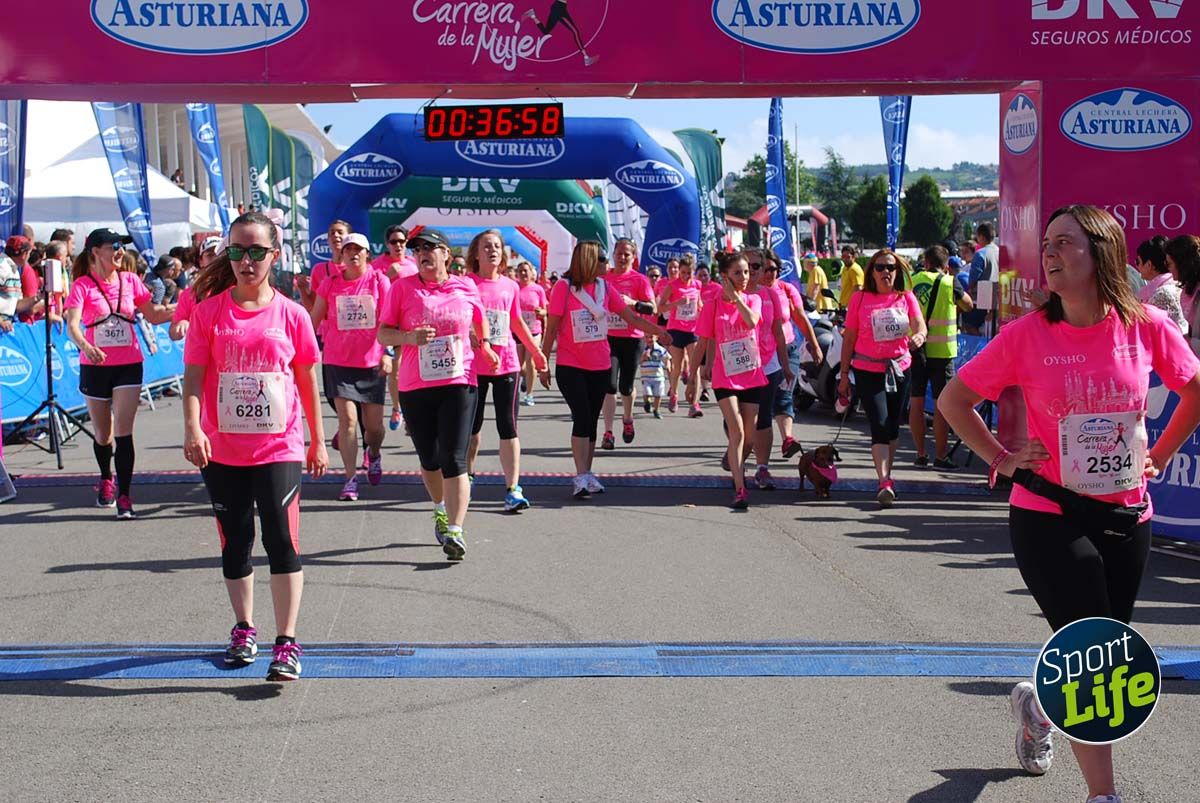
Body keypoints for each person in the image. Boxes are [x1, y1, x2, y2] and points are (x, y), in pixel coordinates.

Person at [938, 205, 1200, 803]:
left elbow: (1195, 389)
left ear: (1102, 253)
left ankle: (1038, 703)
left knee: (1102, 651)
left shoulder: (1144, 325)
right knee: (1094, 657)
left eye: (1064, 243)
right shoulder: (1026, 334)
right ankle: (1102, 795)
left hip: (1126, 514)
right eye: (1047, 244)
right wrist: (1003, 458)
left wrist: (1159, 451)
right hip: (1047, 511)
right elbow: (955, 401)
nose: (1049, 253)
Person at [182, 211, 328, 683]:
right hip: (222, 449)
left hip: (278, 446)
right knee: (235, 541)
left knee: (282, 540)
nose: (247, 261)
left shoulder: (292, 314)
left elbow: (307, 379)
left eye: (257, 252)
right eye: (238, 251)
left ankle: (287, 642)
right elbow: (194, 379)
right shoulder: (209, 312)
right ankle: (244, 628)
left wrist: (318, 441)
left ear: (274, 255)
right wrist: (192, 428)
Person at [378, 228, 500, 559]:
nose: (423, 254)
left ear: (446, 254)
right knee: (429, 460)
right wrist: (408, 338)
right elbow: (383, 334)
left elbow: (479, 319)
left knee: (454, 457)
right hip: (416, 387)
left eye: (430, 248)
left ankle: (456, 531)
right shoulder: (402, 288)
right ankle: (440, 507)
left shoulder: (466, 285)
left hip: (459, 380)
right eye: (418, 250)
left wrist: (485, 346)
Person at [538, 241, 666, 499]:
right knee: (582, 416)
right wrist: (542, 362)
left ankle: (587, 472)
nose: (607, 264)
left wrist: (659, 332)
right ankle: (580, 475)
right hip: (570, 363)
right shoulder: (564, 287)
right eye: (602, 259)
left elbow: (632, 318)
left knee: (592, 419)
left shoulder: (604, 287)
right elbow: (551, 327)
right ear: (588, 260)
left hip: (600, 364)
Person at [63, 228, 176, 519]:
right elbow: (73, 325)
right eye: (113, 245)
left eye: (121, 246)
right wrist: (86, 346)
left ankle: (125, 495)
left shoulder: (131, 281)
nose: (119, 250)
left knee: (124, 432)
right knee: (104, 434)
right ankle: (106, 478)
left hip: (128, 363)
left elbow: (153, 314)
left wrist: (187, 306)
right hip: (95, 366)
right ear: (95, 251)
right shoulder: (82, 286)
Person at [464, 230, 548, 513]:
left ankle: (513, 488)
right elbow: (460, 320)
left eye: (497, 246)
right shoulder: (466, 284)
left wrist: (536, 353)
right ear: (476, 253)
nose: (493, 251)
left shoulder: (510, 286)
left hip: (507, 363)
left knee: (508, 427)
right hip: (473, 366)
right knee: (472, 429)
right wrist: (471, 336)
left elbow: (516, 322)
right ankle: (467, 477)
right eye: (487, 246)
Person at [838, 249, 927, 508]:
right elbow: (850, 338)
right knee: (879, 422)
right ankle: (884, 481)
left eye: (890, 267)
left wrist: (919, 336)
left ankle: (888, 474)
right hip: (868, 370)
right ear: (871, 272)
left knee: (893, 427)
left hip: (900, 369)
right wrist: (844, 375)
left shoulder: (905, 297)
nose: (885, 272)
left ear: (897, 271)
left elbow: (920, 323)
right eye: (879, 267)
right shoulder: (860, 298)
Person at [309, 232, 392, 501]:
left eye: (359, 250)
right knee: (348, 422)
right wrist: (298, 350)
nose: (354, 254)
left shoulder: (379, 281)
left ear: (367, 254)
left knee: (374, 429)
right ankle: (350, 479)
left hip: (371, 363)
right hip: (338, 361)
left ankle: (374, 453)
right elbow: (314, 319)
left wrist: (388, 352)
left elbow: (391, 320)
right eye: (348, 250)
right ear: (341, 255)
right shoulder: (331, 284)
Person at [697, 252, 765, 509]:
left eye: (747, 272)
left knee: (749, 437)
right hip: (724, 376)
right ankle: (740, 488)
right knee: (735, 430)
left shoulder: (754, 299)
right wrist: (692, 376)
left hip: (751, 374)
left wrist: (736, 298)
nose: (744, 277)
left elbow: (751, 322)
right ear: (725, 277)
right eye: (738, 273)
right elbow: (703, 339)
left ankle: (734, 462)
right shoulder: (713, 303)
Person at [754, 249, 823, 461]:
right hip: (757, 354)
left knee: (784, 396)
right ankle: (745, 442)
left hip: (788, 348)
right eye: (765, 269)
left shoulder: (786, 289)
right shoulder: (751, 292)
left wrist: (814, 344)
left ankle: (788, 440)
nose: (769, 273)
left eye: (773, 269)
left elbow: (800, 318)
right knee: (758, 403)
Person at [908, 245, 973, 469]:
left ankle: (920, 453)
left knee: (916, 402)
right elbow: (969, 304)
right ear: (946, 265)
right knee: (941, 405)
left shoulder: (912, 280)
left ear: (925, 262)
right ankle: (941, 455)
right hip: (943, 353)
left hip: (916, 349)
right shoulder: (949, 281)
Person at [600, 237, 657, 448]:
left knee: (625, 386)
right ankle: (607, 432)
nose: (622, 257)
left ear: (633, 258)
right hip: (608, 338)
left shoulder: (640, 280)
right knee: (610, 385)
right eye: (619, 253)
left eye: (627, 254)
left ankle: (628, 418)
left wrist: (632, 303)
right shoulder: (603, 279)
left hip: (633, 339)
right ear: (613, 255)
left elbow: (653, 308)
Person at [746, 251, 792, 490]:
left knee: (763, 416)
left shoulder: (770, 294)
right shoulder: (722, 294)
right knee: (737, 421)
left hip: (767, 364)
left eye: (758, 266)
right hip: (736, 368)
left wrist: (785, 366)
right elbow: (711, 333)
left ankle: (762, 467)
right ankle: (738, 450)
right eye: (748, 265)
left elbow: (778, 332)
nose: (753, 270)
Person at [658, 255, 705, 416]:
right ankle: (674, 394)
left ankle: (695, 404)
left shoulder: (697, 285)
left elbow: (699, 304)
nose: (685, 276)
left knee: (695, 368)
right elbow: (660, 308)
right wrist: (676, 304)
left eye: (689, 273)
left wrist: (701, 309)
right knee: (677, 367)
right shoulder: (672, 286)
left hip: (692, 330)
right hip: (676, 330)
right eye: (683, 272)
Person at [170, 236, 222, 342]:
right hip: (199, 357)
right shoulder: (190, 294)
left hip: (230, 356)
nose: (216, 259)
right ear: (201, 261)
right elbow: (173, 333)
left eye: (220, 254)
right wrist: (182, 324)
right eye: (210, 255)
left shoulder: (239, 291)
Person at [1134, 236, 1188, 335]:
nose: (1136, 266)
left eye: (1138, 261)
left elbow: (1154, 332)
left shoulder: (1162, 294)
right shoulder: (1177, 284)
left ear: (1149, 265)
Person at [521, 1, 598, 66]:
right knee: (575, 31)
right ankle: (586, 58)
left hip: (558, 8)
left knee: (546, 31)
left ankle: (532, 15)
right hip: (559, 9)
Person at [516, 262, 548, 406]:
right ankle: (525, 377)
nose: (523, 274)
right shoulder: (514, 288)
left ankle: (529, 394)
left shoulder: (538, 289)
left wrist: (542, 312)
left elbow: (545, 309)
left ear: (531, 273)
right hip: (517, 330)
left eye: (526, 271)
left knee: (531, 361)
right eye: (521, 271)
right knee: (518, 365)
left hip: (534, 330)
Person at [1164, 234, 1200, 355]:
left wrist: (1181, 341)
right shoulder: (1191, 289)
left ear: (1182, 264)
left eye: (1169, 264)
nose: (1168, 269)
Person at [963, 222, 999, 335]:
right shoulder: (999, 251)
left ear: (982, 236)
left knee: (969, 324)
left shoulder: (980, 254)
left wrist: (970, 288)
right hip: (997, 298)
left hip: (980, 299)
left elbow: (973, 278)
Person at [639, 333, 670, 418]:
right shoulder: (642, 350)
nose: (649, 339)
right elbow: (638, 361)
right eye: (646, 337)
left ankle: (656, 410)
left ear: (656, 338)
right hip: (646, 377)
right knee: (647, 392)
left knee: (658, 394)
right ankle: (647, 402)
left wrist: (667, 365)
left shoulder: (660, 349)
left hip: (658, 376)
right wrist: (643, 358)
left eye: (651, 337)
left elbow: (666, 358)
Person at [837, 245, 864, 310]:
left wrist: (853, 307)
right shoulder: (845, 268)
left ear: (853, 257)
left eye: (848, 257)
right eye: (843, 256)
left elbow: (858, 289)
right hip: (843, 305)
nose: (845, 259)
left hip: (850, 307)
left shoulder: (854, 269)